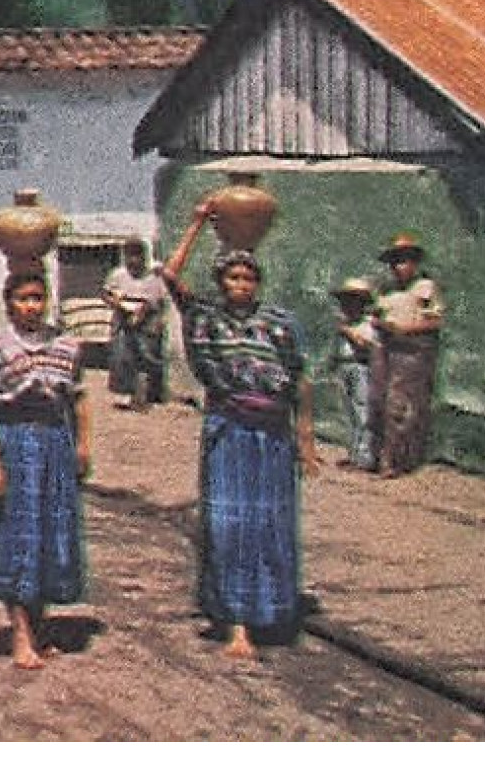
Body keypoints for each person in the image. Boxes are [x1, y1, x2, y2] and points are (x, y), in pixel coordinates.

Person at [162, 200, 320, 662]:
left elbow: (300, 383)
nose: (240, 285)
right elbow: (169, 277)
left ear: (258, 283)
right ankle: (236, 626)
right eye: (233, 278)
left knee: (269, 525)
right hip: (228, 432)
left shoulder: (280, 325)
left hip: (272, 438)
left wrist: (306, 444)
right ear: (220, 282)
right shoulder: (206, 319)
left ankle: (269, 614)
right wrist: (194, 223)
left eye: (248, 278)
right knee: (230, 525)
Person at [0, 270, 92, 670]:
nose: (31, 306)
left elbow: (79, 399)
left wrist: (84, 446)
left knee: (50, 536)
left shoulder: (67, 345)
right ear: (9, 302)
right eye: (23, 298)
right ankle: (20, 634)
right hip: (15, 445)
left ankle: (38, 628)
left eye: (38, 298)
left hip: (56, 444)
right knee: (16, 536)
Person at [370, 233, 445, 477]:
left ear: (414, 263)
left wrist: (405, 330)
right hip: (385, 347)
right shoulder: (386, 289)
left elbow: (435, 322)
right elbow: (376, 315)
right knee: (378, 399)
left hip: (412, 351)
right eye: (395, 262)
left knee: (399, 405)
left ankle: (394, 459)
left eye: (404, 261)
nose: (398, 267)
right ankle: (380, 453)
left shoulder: (425, 287)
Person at [102, 238, 170, 409]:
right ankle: (131, 393)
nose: (133, 260)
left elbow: (157, 299)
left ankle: (148, 395)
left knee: (147, 355)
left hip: (148, 318)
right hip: (123, 314)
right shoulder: (118, 274)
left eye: (137, 255)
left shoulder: (153, 275)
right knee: (123, 356)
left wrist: (142, 313)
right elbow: (106, 293)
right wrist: (115, 303)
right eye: (129, 256)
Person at [329, 278, 379, 472]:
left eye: (352, 300)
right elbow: (337, 349)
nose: (347, 305)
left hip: (361, 366)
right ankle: (354, 454)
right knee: (349, 411)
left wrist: (347, 331)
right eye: (345, 301)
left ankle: (365, 458)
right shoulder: (345, 324)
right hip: (345, 367)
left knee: (362, 411)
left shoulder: (367, 324)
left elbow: (366, 345)